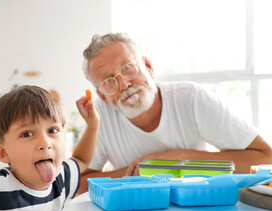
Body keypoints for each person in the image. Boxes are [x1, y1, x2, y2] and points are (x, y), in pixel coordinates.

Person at [78, 32, 272, 194]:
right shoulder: (99, 118)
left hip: (199, 204)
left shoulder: (191, 98)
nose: (124, 85)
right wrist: (143, 173)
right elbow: (76, 185)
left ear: (148, 67)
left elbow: (266, 158)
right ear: (103, 96)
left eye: (128, 68)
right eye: (109, 81)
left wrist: (177, 160)